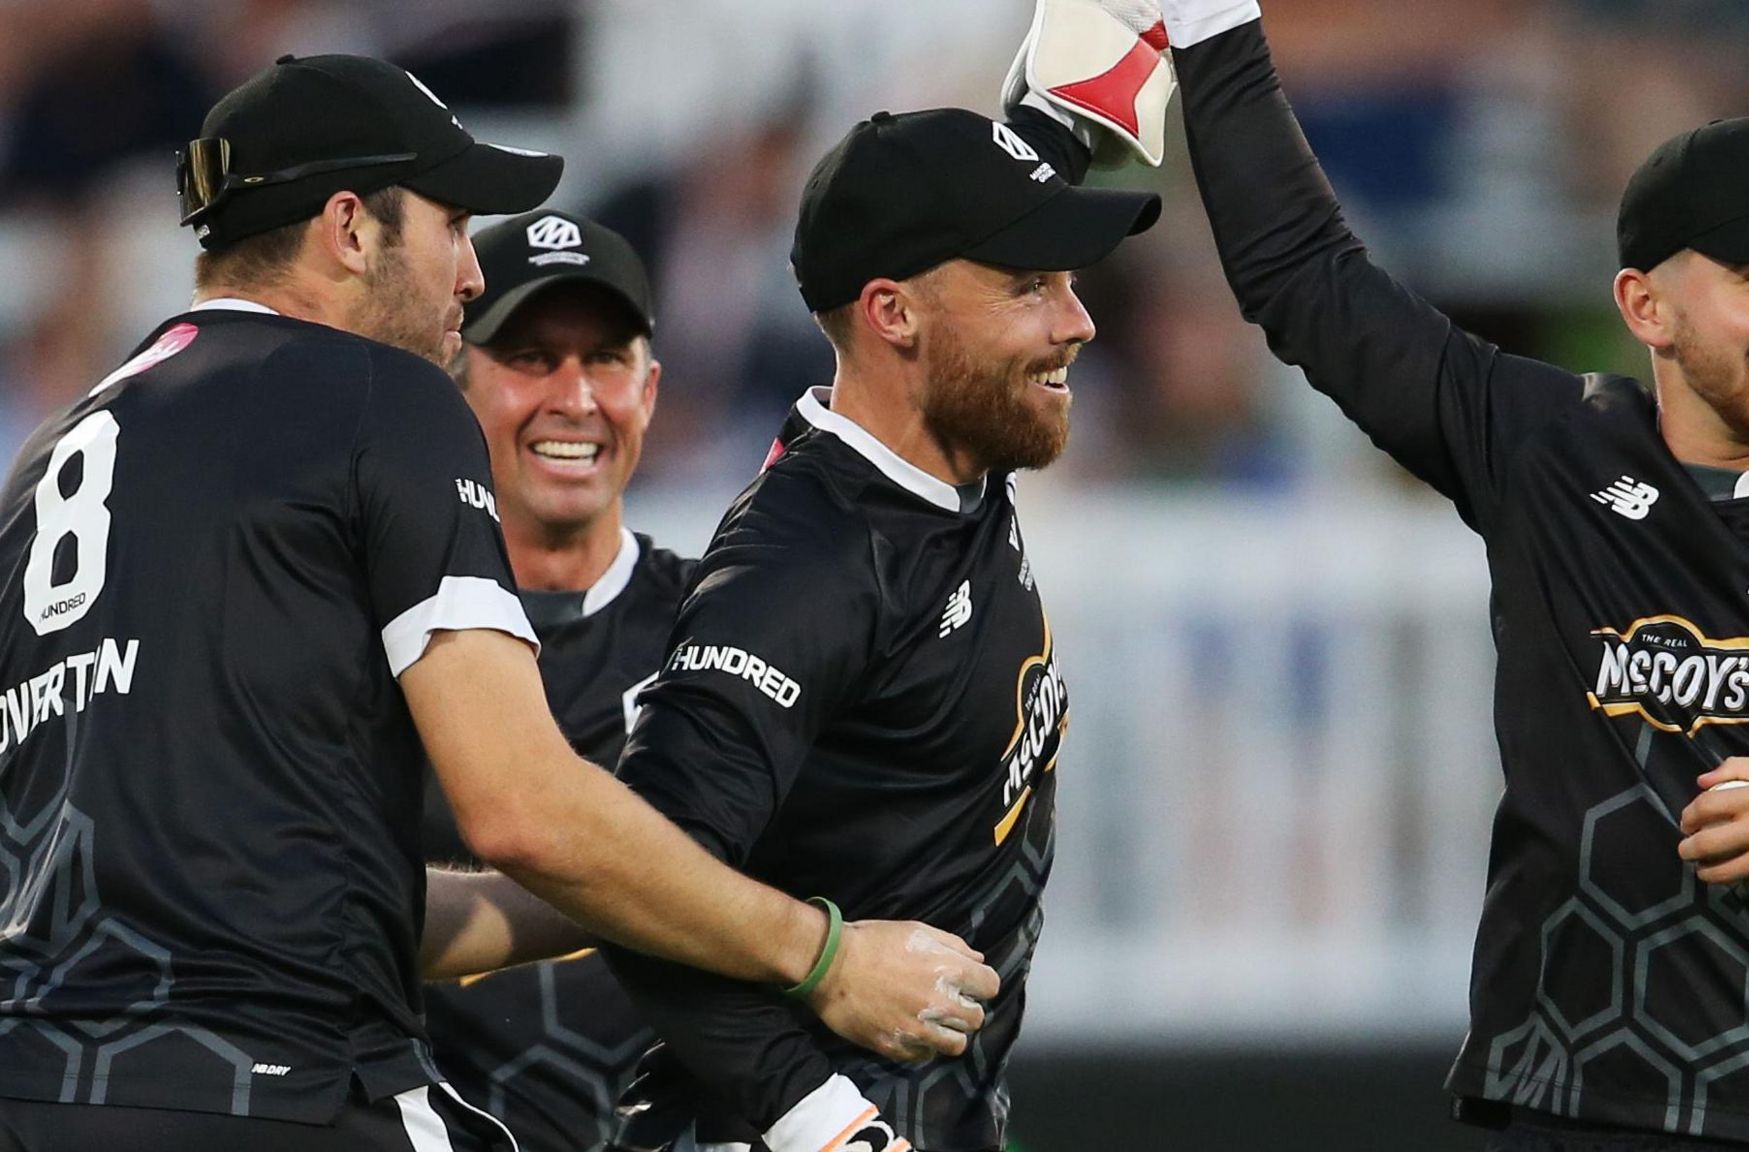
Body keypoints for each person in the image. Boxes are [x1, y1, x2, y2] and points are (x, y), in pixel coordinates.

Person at [1062, 2, 1749, 1149]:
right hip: (1558, 1106)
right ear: (1645, 307)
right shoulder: (1549, 452)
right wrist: (1215, 24)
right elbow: (1303, 279)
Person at [0, 54, 996, 1152]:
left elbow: (296, 899)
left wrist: (660, 895)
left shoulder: (49, 462)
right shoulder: (378, 395)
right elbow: (521, 811)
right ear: (348, 228)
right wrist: (824, 954)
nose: (469, 274)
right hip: (287, 1087)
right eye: (452, 224)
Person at [599, 106, 1160, 1152]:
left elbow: (974, 185)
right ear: (893, 314)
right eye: (1030, 286)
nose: (1077, 323)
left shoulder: (952, 460)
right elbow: (638, 880)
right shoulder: (805, 565)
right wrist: (831, 1127)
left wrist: (1092, 68)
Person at [416, 208, 687, 1152]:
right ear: (455, 387)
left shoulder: (724, 635)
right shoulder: (371, 642)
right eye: (530, 356)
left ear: (649, 391)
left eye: (606, 359)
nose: (575, 397)